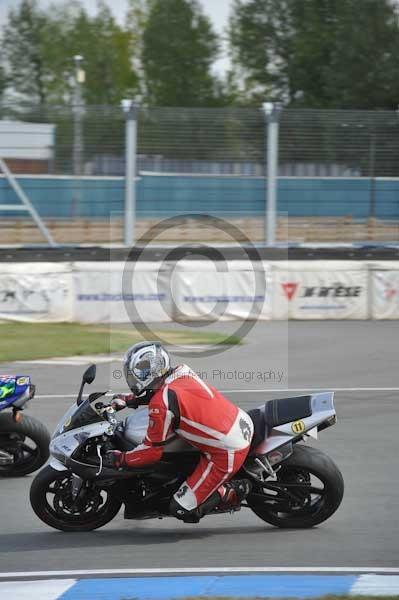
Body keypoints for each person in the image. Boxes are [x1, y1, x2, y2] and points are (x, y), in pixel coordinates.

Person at [109, 341, 254, 523]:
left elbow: (151, 452)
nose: (135, 376)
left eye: (142, 370)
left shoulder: (161, 404)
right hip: (239, 421)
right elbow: (162, 395)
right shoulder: (181, 372)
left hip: (227, 451)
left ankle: (236, 490)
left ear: (156, 368)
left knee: (182, 509)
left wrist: (120, 459)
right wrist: (129, 400)